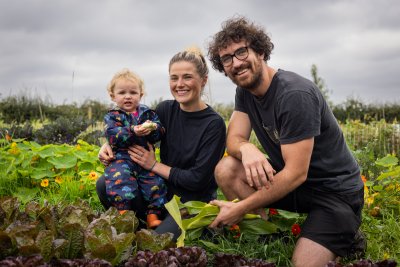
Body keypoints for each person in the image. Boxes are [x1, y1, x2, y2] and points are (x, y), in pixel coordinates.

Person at [207, 16, 364, 267]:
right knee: (227, 169)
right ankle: (266, 234)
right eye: (227, 59)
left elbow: (295, 174)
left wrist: (240, 208)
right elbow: (234, 139)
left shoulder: (294, 95)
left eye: (241, 52)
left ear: (259, 51)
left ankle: (348, 234)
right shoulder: (245, 92)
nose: (236, 63)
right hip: (295, 187)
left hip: (334, 192)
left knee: (303, 264)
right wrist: (247, 148)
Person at [97, 47, 226, 239]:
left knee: (157, 242)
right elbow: (135, 129)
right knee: (103, 184)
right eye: (174, 78)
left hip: (191, 202)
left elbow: (197, 180)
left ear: (203, 80)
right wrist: (107, 145)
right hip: (161, 195)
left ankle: (166, 227)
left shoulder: (213, 124)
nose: (179, 84)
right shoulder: (165, 110)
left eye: (187, 77)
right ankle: (142, 222)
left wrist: (154, 165)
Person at [102, 68, 167, 228]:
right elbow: (111, 135)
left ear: (141, 94)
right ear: (113, 96)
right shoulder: (112, 116)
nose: (128, 96)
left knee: (155, 183)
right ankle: (124, 215)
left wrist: (153, 129)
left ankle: (153, 217)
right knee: (119, 182)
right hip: (121, 160)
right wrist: (133, 130)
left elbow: (160, 132)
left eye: (133, 92)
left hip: (146, 159)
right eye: (122, 92)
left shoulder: (148, 114)